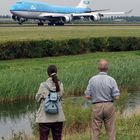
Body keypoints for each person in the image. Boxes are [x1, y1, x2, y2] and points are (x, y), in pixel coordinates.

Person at [85, 59, 120, 140]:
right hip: (109, 105)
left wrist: (95, 97)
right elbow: (117, 97)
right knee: (111, 130)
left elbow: (87, 95)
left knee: (95, 130)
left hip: (96, 105)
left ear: (98, 68)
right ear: (107, 68)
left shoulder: (92, 79)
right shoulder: (111, 80)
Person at [35, 65, 65, 140]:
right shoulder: (60, 84)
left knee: (43, 138)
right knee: (57, 137)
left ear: (47, 73)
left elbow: (37, 98)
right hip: (58, 116)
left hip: (44, 117)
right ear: (56, 72)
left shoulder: (43, 85)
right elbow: (61, 96)